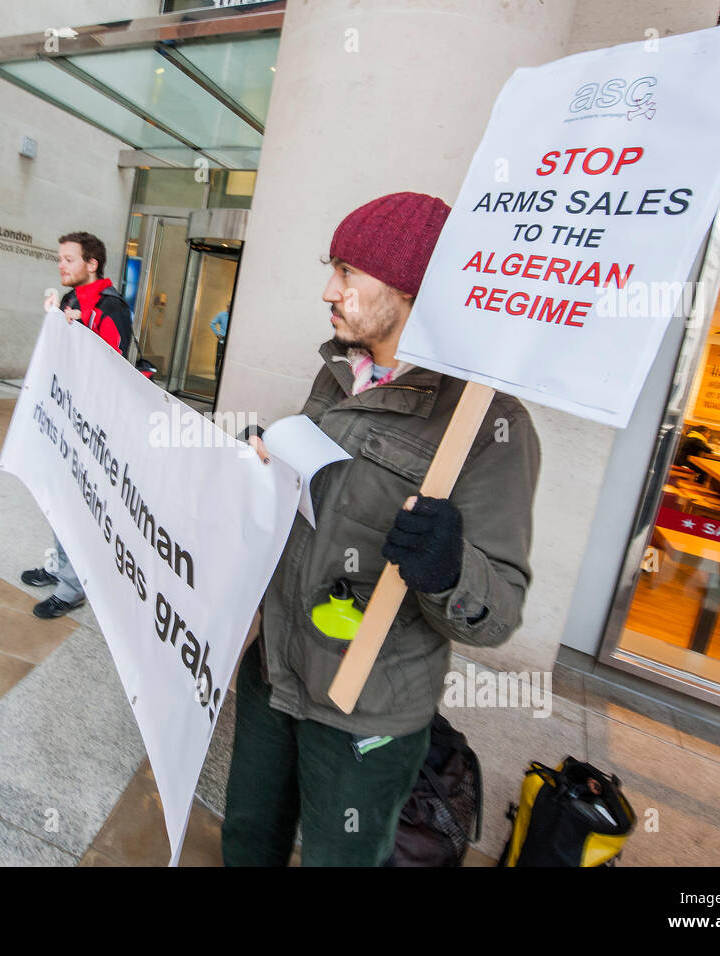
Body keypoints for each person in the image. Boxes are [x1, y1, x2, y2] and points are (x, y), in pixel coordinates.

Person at [222, 192, 541, 866]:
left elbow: (497, 611)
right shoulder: (339, 372)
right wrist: (267, 466)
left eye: (346, 272)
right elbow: (322, 493)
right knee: (248, 840)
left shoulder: (488, 426)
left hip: (365, 711)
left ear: (409, 289)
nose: (327, 291)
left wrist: (448, 568)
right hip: (274, 669)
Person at [21, 231, 134, 620]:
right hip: (63, 414)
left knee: (76, 505)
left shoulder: (112, 306)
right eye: (59, 258)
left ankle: (72, 589)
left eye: (69, 259)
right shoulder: (70, 300)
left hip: (91, 423)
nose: (61, 265)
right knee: (55, 495)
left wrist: (81, 327)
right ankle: (59, 567)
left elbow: (114, 365)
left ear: (92, 264)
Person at [210, 302, 230, 380]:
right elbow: (212, 323)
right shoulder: (222, 315)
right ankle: (216, 376)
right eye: (228, 306)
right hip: (222, 340)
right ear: (227, 307)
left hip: (231, 342)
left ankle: (224, 376)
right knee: (219, 358)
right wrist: (217, 334)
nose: (229, 308)